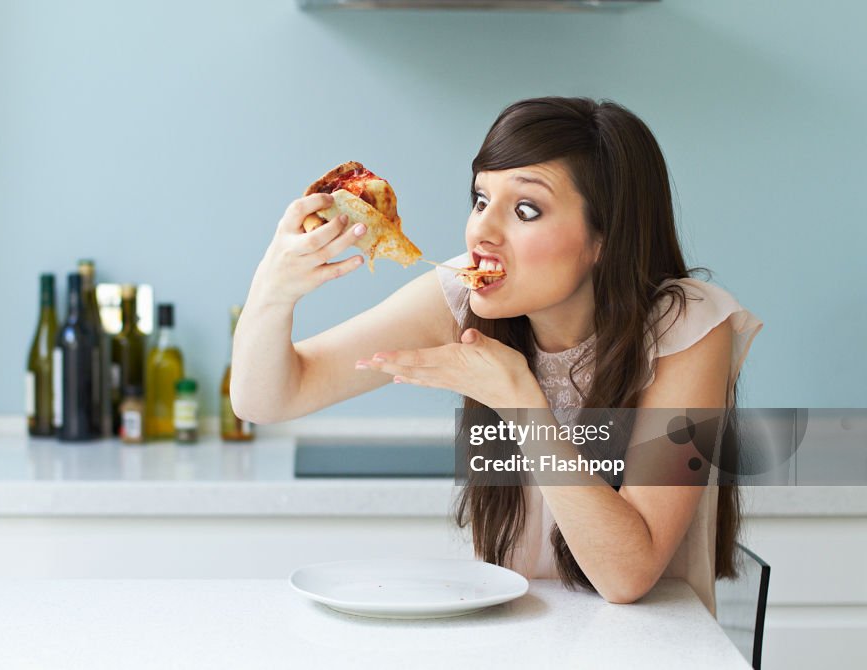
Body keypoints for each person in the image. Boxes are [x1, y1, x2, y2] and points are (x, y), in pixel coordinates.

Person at [231, 97, 763, 615]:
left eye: (525, 210)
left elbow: (627, 576)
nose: (481, 230)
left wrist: (520, 402)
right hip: (519, 637)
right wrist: (272, 292)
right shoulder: (463, 293)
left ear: (605, 237)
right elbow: (269, 399)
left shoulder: (686, 325)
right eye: (481, 200)